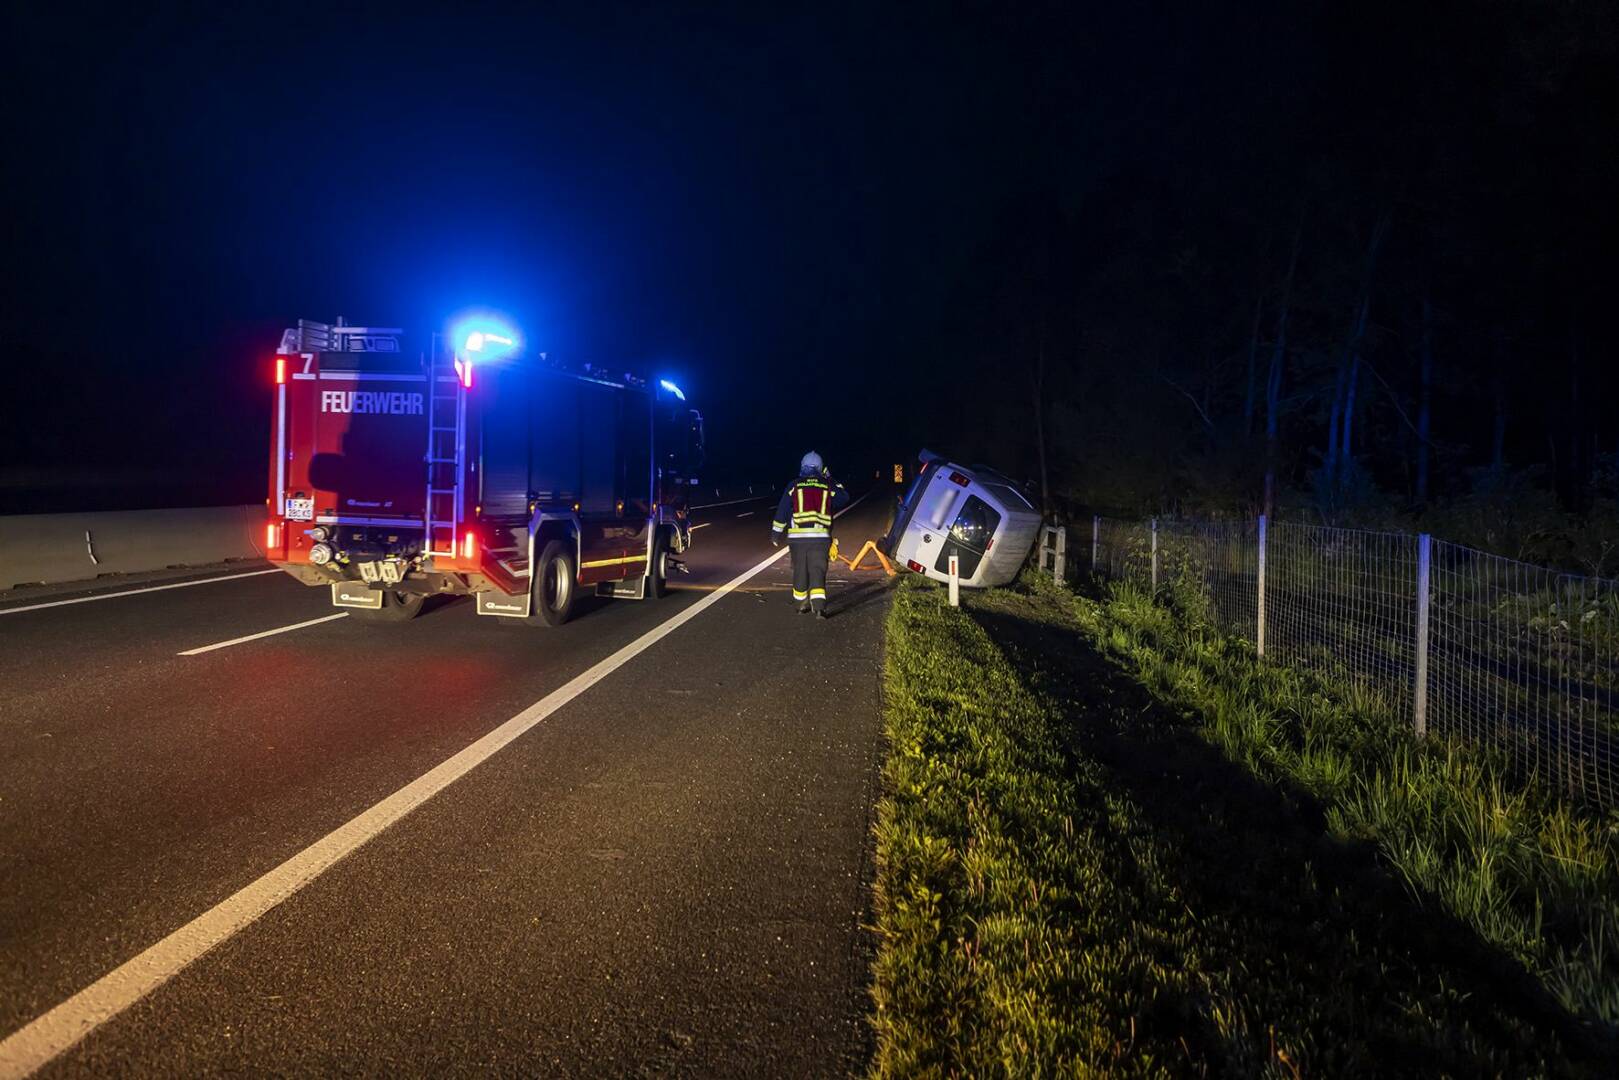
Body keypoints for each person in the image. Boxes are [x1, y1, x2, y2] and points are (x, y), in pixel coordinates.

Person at [771, 451, 850, 618]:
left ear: (802, 467)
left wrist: (775, 534)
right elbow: (843, 498)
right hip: (820, 539)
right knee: (818, 570)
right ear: (821, 469)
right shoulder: (827, 486)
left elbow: (782, 511)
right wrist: (830, 477)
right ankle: (819, 609)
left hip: (798, 540)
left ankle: (801, 606)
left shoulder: (794, 485)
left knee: (800, 570)